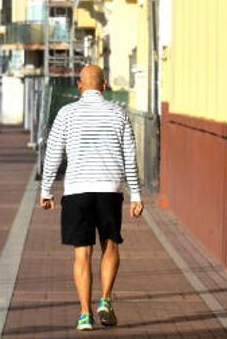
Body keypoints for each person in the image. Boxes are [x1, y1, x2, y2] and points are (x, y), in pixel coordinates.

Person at [39, 65, 144, 331]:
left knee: (82, 253)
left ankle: (85, 315)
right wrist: (136, 195)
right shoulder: (118, 113)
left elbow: (54, 153)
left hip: (77, 190)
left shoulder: (67, 113)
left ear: (80, 85)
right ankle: (106, 300)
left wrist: (46, 190)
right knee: (110, 245)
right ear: (105, 85)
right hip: (109, 189)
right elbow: (129, 157)